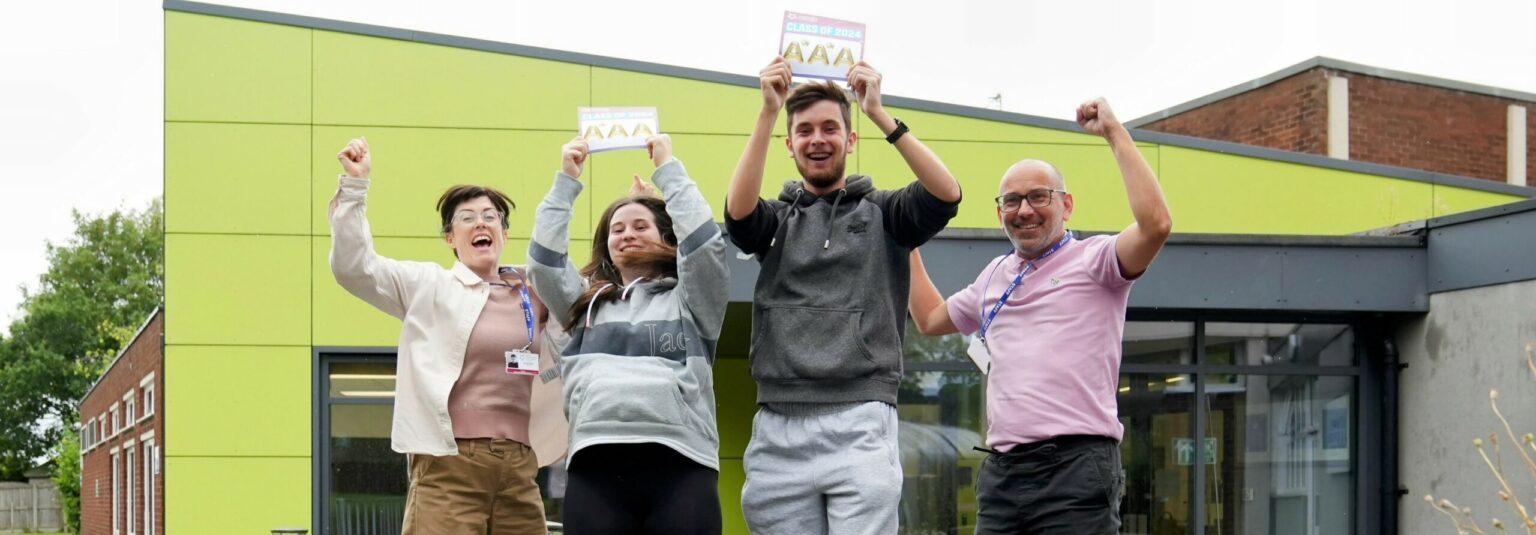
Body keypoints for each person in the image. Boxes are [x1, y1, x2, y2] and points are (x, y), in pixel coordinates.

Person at [907, 98, 1173, 534]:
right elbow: (929, 319)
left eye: (1038, 197)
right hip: (1003, 472)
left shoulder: (1096, 260)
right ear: (999, 213)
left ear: (1067, 205)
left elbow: (1156, 225)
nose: (1024, 210)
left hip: (1076, 468)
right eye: (1012, 201)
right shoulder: (994, 275)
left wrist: (1113, 133)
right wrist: (908, 243)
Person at [725, 58, 963, 534]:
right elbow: (738, 215)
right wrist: (768, 111)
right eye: (805, 130)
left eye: (831, 128)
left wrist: (878, 113)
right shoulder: (777, 218)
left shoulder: (885, 213)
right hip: (777, 423)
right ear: (790, 144)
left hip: (861, 417)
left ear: (850, 141)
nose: (818, 139)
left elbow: (946, 194)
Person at [329, 137, 562, 534]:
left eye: (491, 217)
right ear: (450, 239)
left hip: (520, 464)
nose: (481, 224)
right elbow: (355, 268)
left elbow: (594, 297)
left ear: (504, 232)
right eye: (467, 218)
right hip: (450, 462)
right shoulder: (429, 285)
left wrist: (642, 207)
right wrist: (355, 188)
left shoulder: (534, 288)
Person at [527, 134, 728, 535]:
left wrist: (668, 171)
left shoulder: (692, 301)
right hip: (595, 466)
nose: (627, 234)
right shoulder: (585, 305)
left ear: (667, 239)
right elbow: (544, 263)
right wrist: (567, 180)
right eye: (617, 229)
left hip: (682, 463)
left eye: (640, 225)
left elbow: (704, 247)